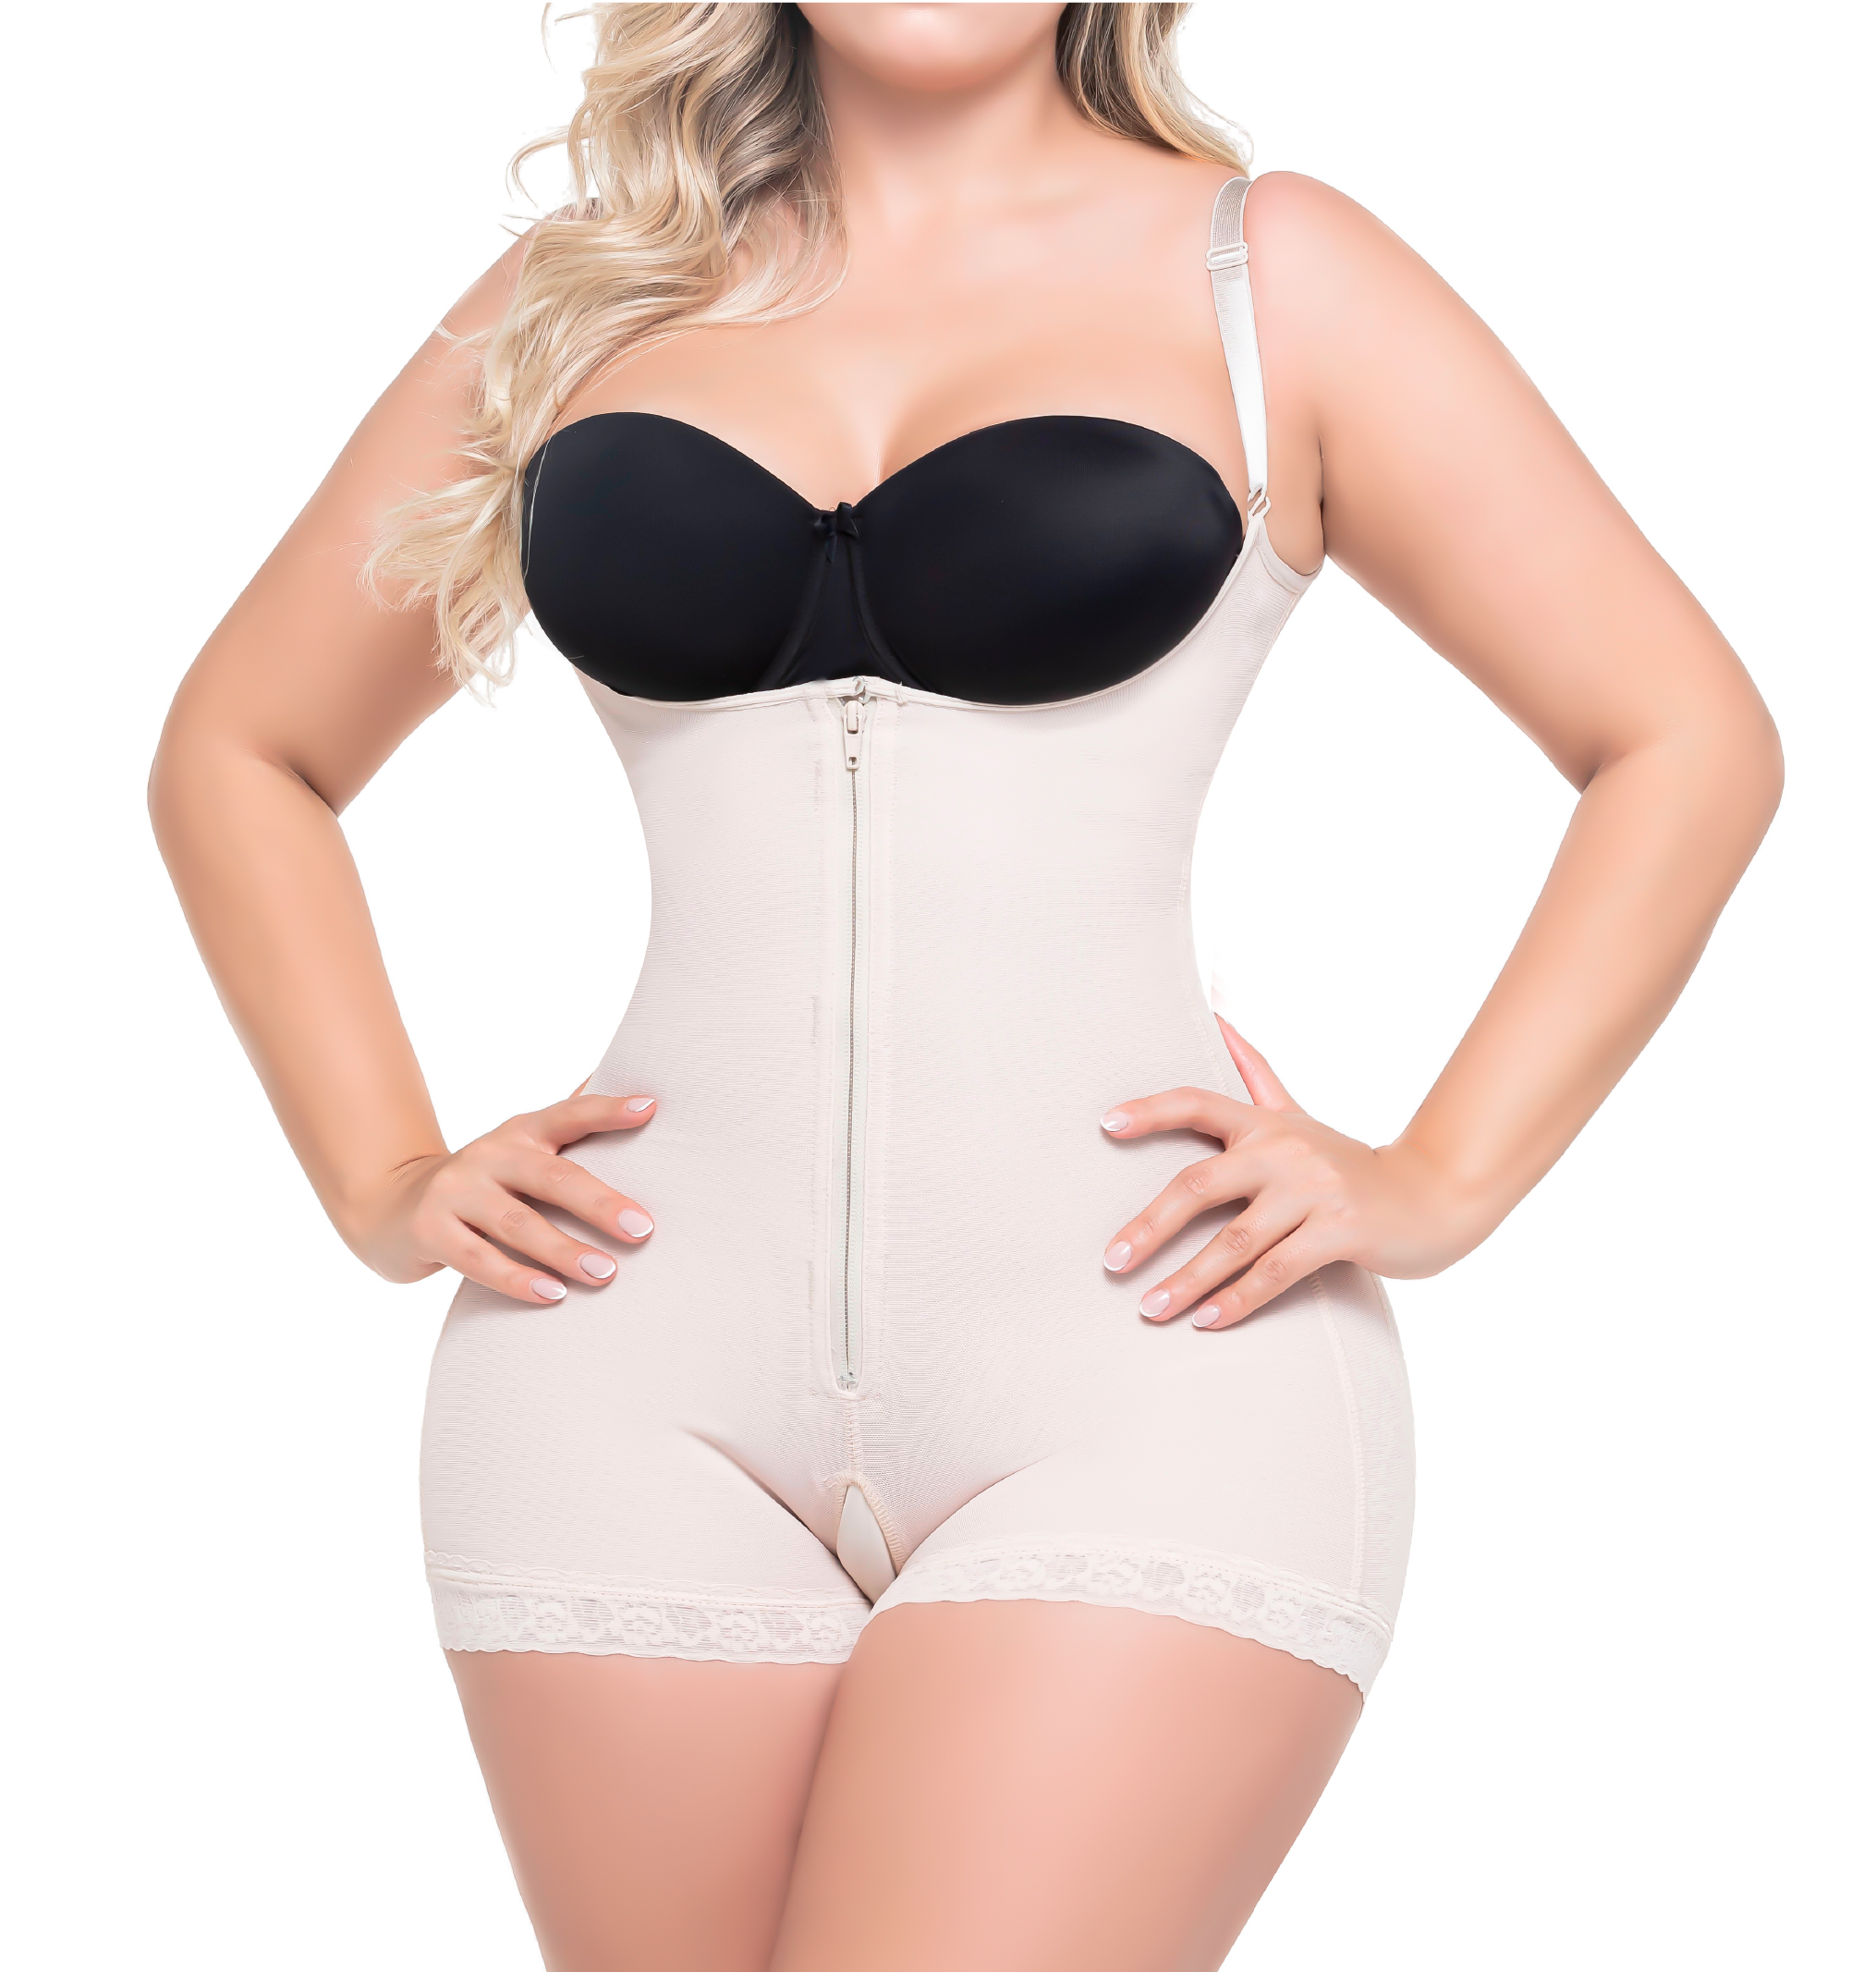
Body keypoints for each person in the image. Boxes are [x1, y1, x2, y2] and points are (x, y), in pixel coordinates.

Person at [148, 5, 1782, 1966]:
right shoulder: (585, 294)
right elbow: (241, 748)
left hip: (1148, 1357)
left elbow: (1680, 735)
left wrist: (1441, 1175)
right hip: (614, 1369)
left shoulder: (1268, 280)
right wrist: (381, 1173)